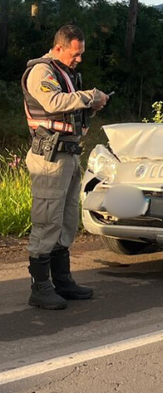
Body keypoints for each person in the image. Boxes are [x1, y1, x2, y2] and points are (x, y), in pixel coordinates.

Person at [22, 25, 109, 310]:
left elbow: (70, 111)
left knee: (67, 218)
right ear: (59, 48)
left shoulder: (66, 74)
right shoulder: (42, 72)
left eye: (81, 54)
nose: (79, 59)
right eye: (75, 53)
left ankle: (62, 280)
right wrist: (89, 96)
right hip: (49, 158)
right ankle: (40, 286)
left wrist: (91, 107)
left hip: (69, 155)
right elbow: (51, 101)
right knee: (47, 219)